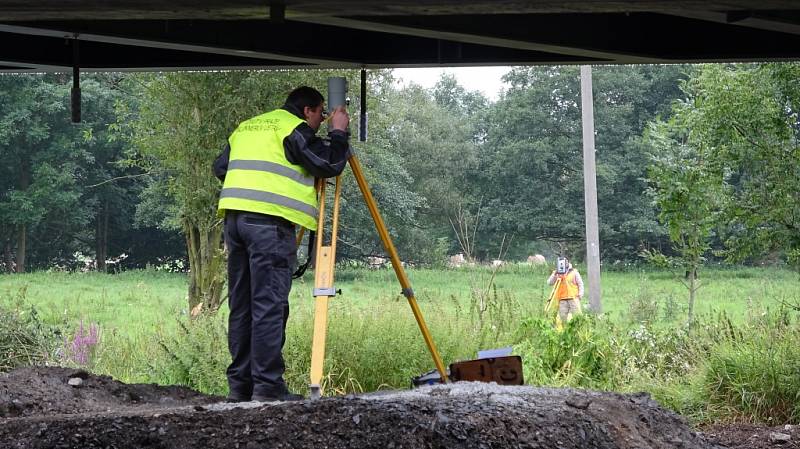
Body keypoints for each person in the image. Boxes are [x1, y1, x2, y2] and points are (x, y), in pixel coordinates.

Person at [213, 86, 350, 402]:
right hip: (268, 225)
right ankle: (268, 387)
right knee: (268, 305)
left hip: (235, 221)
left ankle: (241, 387)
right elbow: (328, 163)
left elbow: (221, 167)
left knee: (243, 304)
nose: (318, 125)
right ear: (308, 111)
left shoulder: (249, 126)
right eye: (319, 116)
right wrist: (339, 133)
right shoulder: (293, 129)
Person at [546, 257, 584, 324]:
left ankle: (578, 329)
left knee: (577, 316)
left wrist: (580, 294)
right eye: (560, 262)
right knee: (562, 317)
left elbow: (580, 283)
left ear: (567, 262)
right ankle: (564, 329)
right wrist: (554, 274)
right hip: (562, 298)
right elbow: (549, 283)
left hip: (573, 297)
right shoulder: (557, 273)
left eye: (564, 262)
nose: (563, 264)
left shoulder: (574, 272)